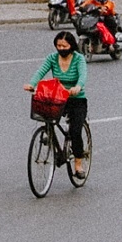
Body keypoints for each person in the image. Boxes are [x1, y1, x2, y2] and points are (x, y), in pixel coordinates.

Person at [27, 29, 89, 184]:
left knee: (75, 131)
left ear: (71, 45)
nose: (61, 49)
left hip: (76, 99)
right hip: (58, 98)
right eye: (58, 46)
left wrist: (78, 87)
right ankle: (50, 137)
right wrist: (32, 83)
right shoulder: (52, 58)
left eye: (64, 46)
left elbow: (83, 75)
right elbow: (41, 71)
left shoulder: (78, 59)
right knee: (45, 115)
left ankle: (78, 165)